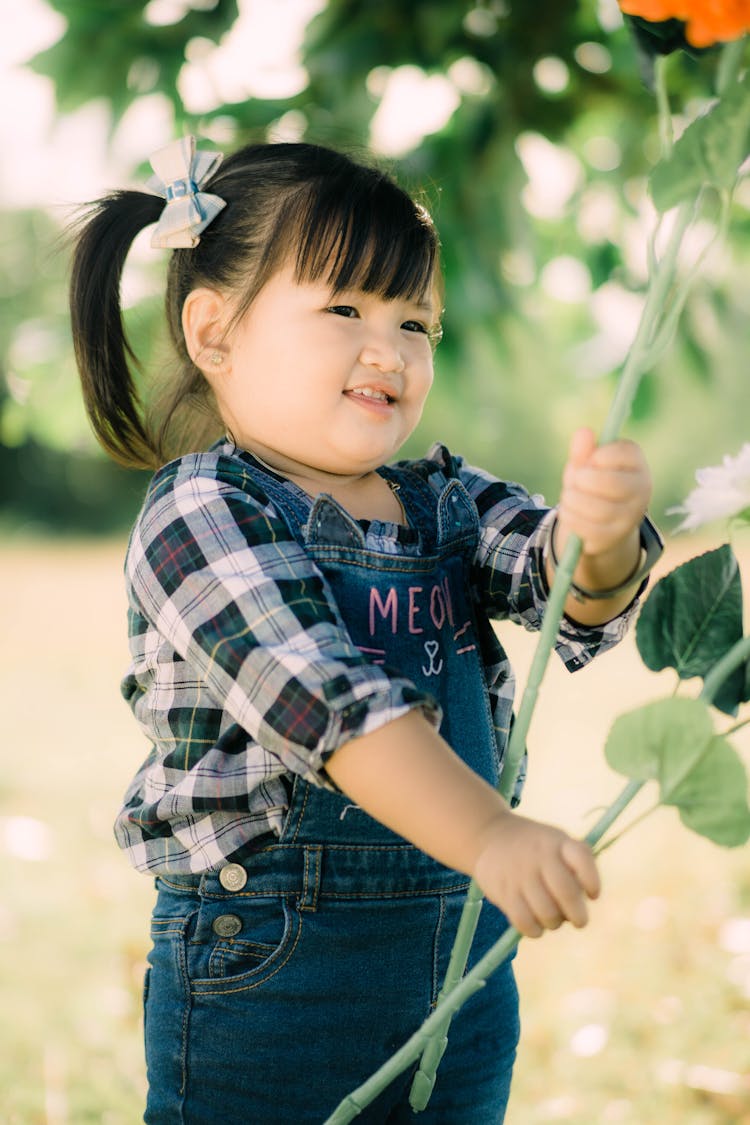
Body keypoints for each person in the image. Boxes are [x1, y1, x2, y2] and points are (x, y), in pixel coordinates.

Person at [69, 136, 659, 1124]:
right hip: (273, 976)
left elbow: (561, 584)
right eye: (344, 308)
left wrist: (599, 543)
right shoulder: (205, 511)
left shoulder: (447, 501)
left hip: (457, 965)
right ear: (214, 332)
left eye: (416, 320)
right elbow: (325, 702)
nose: (389, 347)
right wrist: (492, 833)